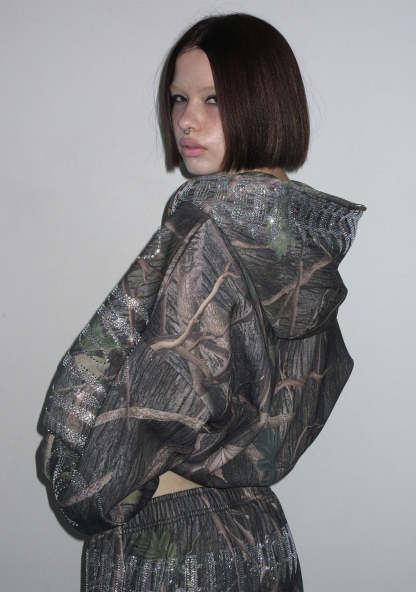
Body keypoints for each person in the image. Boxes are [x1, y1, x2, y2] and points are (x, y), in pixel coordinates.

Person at [36, 12, 366, 592]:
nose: (187, 120)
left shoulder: (206, 233)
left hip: (171, 552)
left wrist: (72, 476)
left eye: (214, 99)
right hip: (258, 537)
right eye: (179, 98)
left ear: (265, 102)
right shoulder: (303, 240)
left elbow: (126, 439)